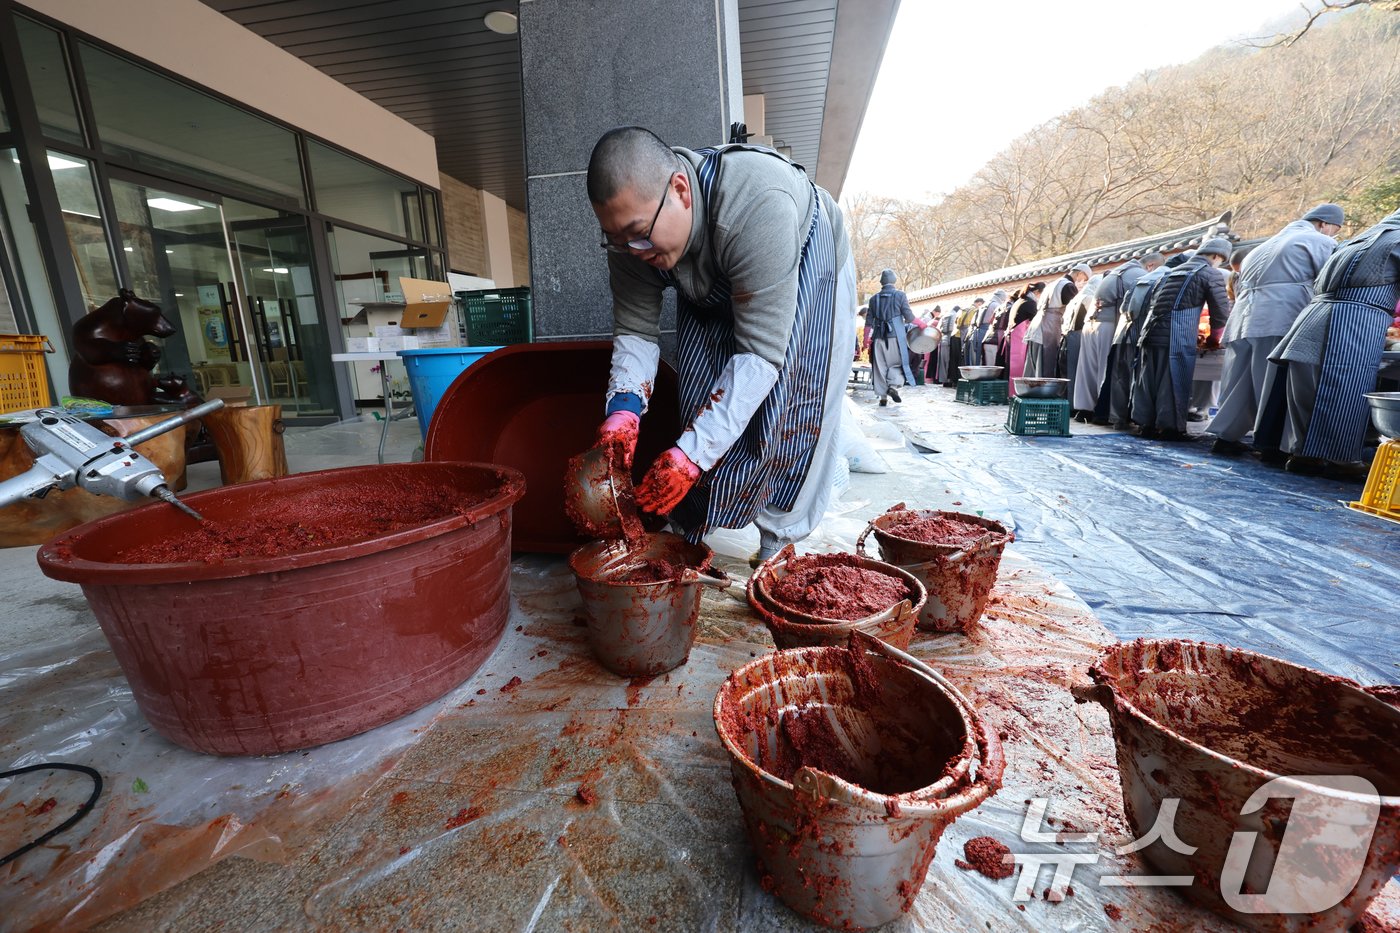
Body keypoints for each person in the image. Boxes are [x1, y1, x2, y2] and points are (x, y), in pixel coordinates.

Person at [584, 127, 855, 562]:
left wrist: (690, 456)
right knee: (701, 387)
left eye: (637, 234)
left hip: (807, 259)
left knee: (797, 398)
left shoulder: (756, 203)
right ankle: (695, 522)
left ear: (680, 190)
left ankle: (778, 542)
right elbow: (636, 331)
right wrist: (623, 414)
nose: (631, 251)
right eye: (616, 241)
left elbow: (760, 355)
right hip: (717, 269)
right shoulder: (631, 239)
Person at [1254, 206, 1400, 477]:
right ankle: (1341, 460)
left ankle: (1303, 456)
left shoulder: (1359, 239)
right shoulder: (1397, 239)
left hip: (1312, 315)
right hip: (1354, 318)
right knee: (1347, 388)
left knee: (1306, 389)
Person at [1208, 204, 1343, 456]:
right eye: (1335, 229)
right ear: (1324, 224)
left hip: (1243, 317)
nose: (1334, 234)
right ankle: (1272, 443)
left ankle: (1225, 436)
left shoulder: (1261, 247)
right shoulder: (1318, 241)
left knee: (1240, 379)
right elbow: (1330, 280)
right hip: (1282, 312)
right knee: (1274, 380)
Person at [1132, 238, 1233, 439]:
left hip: (1149, 332)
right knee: (1173, 380)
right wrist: (1215, 338)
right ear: (1216, 256)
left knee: (1149, 379)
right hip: (1177, 332)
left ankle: (1146, 424)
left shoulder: (1171, 272)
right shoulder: (1208, 273)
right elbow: (1220, 311)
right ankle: (1170, 428)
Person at [1091, 252, 1164, 424]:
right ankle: (1114, 416)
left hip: (1109, 326)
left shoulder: (1121, 270)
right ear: (1151, 266)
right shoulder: (1140, 276)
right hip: (1119, 327)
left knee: (1106, 373)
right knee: (1118, 376)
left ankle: (1100, 413)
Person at [1025, 263, 1090, 377]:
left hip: (1036, 325)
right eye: (1083, 279)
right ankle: (1043, 393)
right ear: (1080, 273)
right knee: (1045, 365)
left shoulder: (1053, 283)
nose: (1082, 282)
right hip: (1049, 326)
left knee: (1033, 366)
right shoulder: (1068, 286)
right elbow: (1073, 308)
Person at [867, 268, 916, 405]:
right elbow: (909, 317)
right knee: (897, 364)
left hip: (877, 338)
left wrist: (866, 340)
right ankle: (893, 387)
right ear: (894, 280)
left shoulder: (873, 299)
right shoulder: (900, 295)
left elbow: (868, 322)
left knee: (879, 367)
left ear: (881, 281)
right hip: (896, 337)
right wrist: (923, 325)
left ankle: (883, 398)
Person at [1061, 272, 1102, 417]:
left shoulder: (1077, 297)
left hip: (1068, 335)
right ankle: (1075, 406)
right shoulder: (1090, 298)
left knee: (1071, 372)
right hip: (1080, 335)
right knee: (1079, 373)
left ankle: (1070, 404)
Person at [1004, 281, 1043, 395]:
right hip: (1019, 337)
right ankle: (1017, 392)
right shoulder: (1030, 303)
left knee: (1011, 367)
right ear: (1036, 292)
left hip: (1012, 335)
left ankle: (1012, 392)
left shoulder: (1020, 300)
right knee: (1019, 366)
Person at [980, 288, 1009, 366]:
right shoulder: (997, 305)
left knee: (986, 363)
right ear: (1001, 296)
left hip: (987, 335)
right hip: (992, 334)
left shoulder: (985, 304)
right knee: (994, 365)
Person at [961, 298, 986, 366]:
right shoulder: (975, 310)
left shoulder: (965, 309)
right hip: (970, 333)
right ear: (979, 303)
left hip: (962, 334)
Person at [943, 305, 963, 386]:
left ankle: (947, 380)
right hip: (954, 338)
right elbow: (952, 328)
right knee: (955, 360)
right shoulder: (955, 315)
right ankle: (954, 380)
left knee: (948, 361)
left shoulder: (947, 314)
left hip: (945, 338)